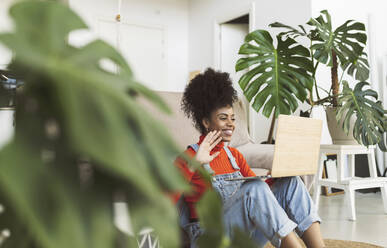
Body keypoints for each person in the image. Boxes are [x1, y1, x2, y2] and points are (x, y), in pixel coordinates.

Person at [174, 68, 325, 248]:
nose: (230, 123)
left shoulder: (234, 156)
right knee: (254, 188)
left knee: (289, 183)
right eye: (223, 118)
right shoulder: (189, 157)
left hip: (240, 238)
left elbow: (258, 197)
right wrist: (194, 165)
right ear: (206, 122)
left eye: (232, 118)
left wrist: (273, 178)